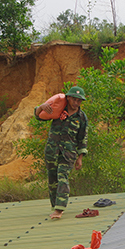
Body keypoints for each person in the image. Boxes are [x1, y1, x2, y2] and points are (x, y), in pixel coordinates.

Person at [34, 86, 88, 219]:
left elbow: (82, 138)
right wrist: (42, 106)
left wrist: (80, 158)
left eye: (79, 101)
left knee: (62, 176)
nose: (76, 103)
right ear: (68, 98)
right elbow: (38, 116)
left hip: (68, 153)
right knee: (52, 179)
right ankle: (54, 206)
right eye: (74, 100)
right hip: (52, 150)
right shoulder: (58, 110)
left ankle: (59, 209)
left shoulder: (81, 117)